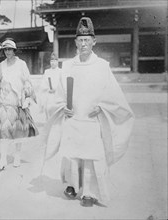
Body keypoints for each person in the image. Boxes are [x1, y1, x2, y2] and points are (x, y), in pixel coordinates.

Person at [42, 17, 134, 207]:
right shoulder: (67, 66)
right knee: (72, 154)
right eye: (80, 40)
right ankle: (73, 186)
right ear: (75, 42)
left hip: (93, 118)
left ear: (94, 41)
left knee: (92, 155)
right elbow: (59, 94)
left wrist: (103, 107)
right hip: (73, 118)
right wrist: (62, 107)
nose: (83, 44)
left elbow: (114, 95)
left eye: (87, 40)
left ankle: (89, 193)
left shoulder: (102, 66)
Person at [0, 38, 38, 171]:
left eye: (10, 49)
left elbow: (27, 82)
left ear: (14, 50)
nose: (8, 52)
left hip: (18, 102)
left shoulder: (21, 64)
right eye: (5, 49)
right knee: (3, 131)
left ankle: (17, 156)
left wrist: (27, 98)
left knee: (18, 131)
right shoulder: (1, 65)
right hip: (5, 102)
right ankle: (2, 159)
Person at [38, 52, 63, 120]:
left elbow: (63, 85)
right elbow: (43, 85)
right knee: (49, 116)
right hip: (49, 96)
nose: (53, 62)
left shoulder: (61, 72)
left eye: (55, 60)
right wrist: (48, 89)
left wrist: (56, 89)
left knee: (57, 117)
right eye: (51, 61)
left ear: (57, 62)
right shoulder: (47, 72)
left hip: (58, 96)